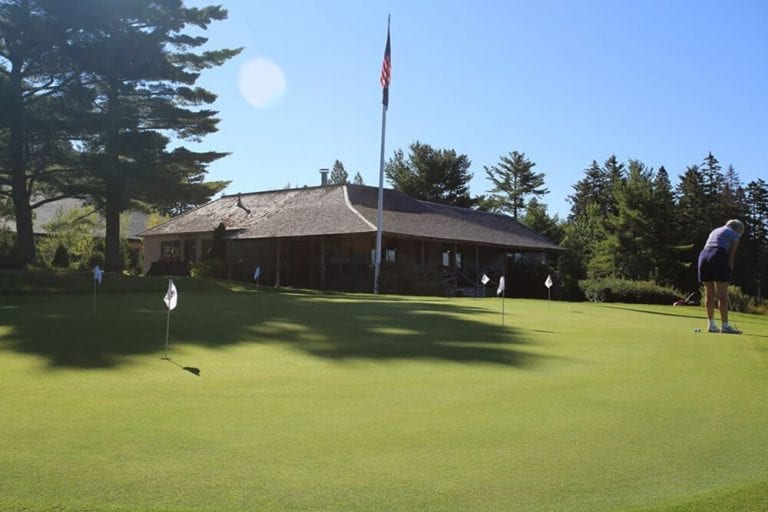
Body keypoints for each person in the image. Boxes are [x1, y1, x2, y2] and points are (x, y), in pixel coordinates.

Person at [697, 219, 745, 334]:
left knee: (710, 293)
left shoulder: (715, 230)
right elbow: (731, 257)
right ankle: (725, 326)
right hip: (718, 256)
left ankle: (711, 325)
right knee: (722, 294)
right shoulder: (734, 235)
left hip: (703, 257)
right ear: (737, 229)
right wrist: (729, 271)